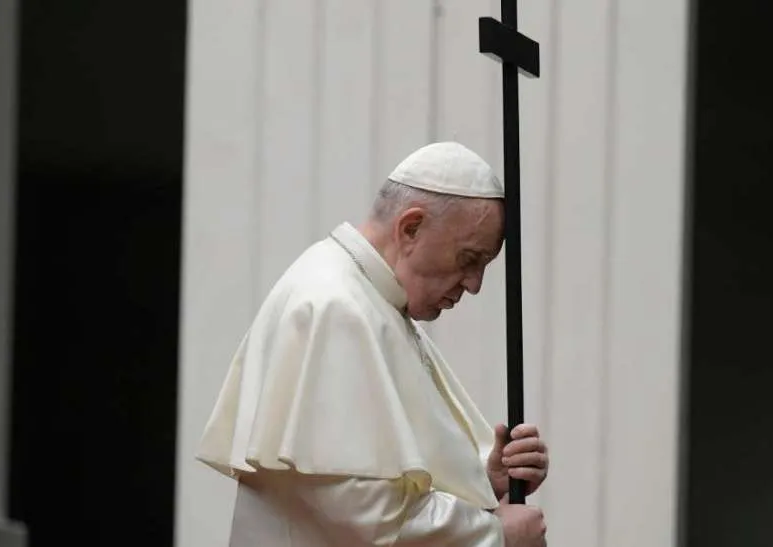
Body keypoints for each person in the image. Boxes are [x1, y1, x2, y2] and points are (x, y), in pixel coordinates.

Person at [196, 142, 550, 546]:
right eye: (468, 259)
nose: (474, 284)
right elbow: (358, 509)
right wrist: (492, 533)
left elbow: (387, 474)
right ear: (410, 228)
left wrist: (483, 478)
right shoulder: (335, 306)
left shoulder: (374, 302)